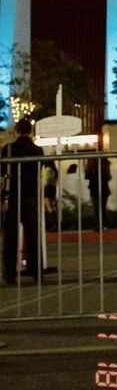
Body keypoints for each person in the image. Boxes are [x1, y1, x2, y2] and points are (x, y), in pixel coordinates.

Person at [1, 118, 45, 284]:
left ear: (17, 130)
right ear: (31, 130)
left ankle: (10, 273)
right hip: (31, 196)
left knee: (11, 236)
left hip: (13, 196)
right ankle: (36, 271)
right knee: (32, 235)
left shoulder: (8, 149)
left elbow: (3, 173)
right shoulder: (37, 150)